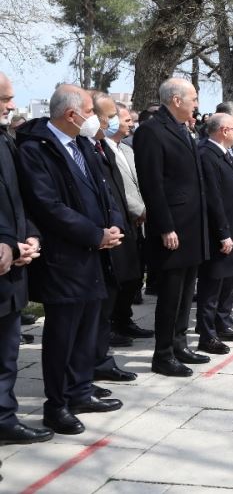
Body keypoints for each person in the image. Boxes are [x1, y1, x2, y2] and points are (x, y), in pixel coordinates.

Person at [17, 84, 125, 434]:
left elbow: (104, 189)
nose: (94, 118)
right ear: (71, 114)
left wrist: (112, 226)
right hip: (65, 257)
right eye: (91, 111)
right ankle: (57, 403)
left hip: (95, 254)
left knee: (87, 328)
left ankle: (80, 390)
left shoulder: (82, 144)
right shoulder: (37, 150)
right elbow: (47, 206)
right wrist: (95, 234)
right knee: (63, 334)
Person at [134, 78, 210, 377]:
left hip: (192, 224)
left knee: (186, 289)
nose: (196, 104)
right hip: (173, 227)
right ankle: (163, 353)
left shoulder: (183, 128)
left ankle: (179, 343)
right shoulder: (151, 132)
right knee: (170, 292)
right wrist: (165, 226)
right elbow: (152, 184)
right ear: (176, 99)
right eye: (192, 98)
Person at [0, 73, 52, 444]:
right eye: (4, 99)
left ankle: (5, 417)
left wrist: (29, 236)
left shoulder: (6, 141)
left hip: (13, 267)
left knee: (7, 355)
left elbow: (19, 199)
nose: (10, 106)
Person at [87, 92, 140, 383]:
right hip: (95, 239)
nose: (110, 122)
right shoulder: (89, 147)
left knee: (108, 303)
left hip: (116, 233)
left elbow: (114, 194)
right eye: (106, 116)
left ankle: (100, 360)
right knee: (96, 312)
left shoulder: (102, 148)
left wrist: (118, 223)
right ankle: (90, 367)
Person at [196, 113, 233, 355]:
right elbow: (214, 198)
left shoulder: (227, 153)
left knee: (230, 280)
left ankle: (223, 322)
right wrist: (224, 233)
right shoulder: (207, 154)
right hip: (220, 230)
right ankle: (207, 334)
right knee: (213, 284)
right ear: (223, 130)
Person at [107, 103, 154, 340]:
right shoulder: (102, 150)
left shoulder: (127, 150)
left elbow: (140, 183)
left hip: (138, 223)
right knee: (121, 276)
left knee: (135, 275)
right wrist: (140, 210)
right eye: (126, 120)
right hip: (121, 220)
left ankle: (125, 319)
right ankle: (112, 324)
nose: (131, 124)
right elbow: (116, 190)